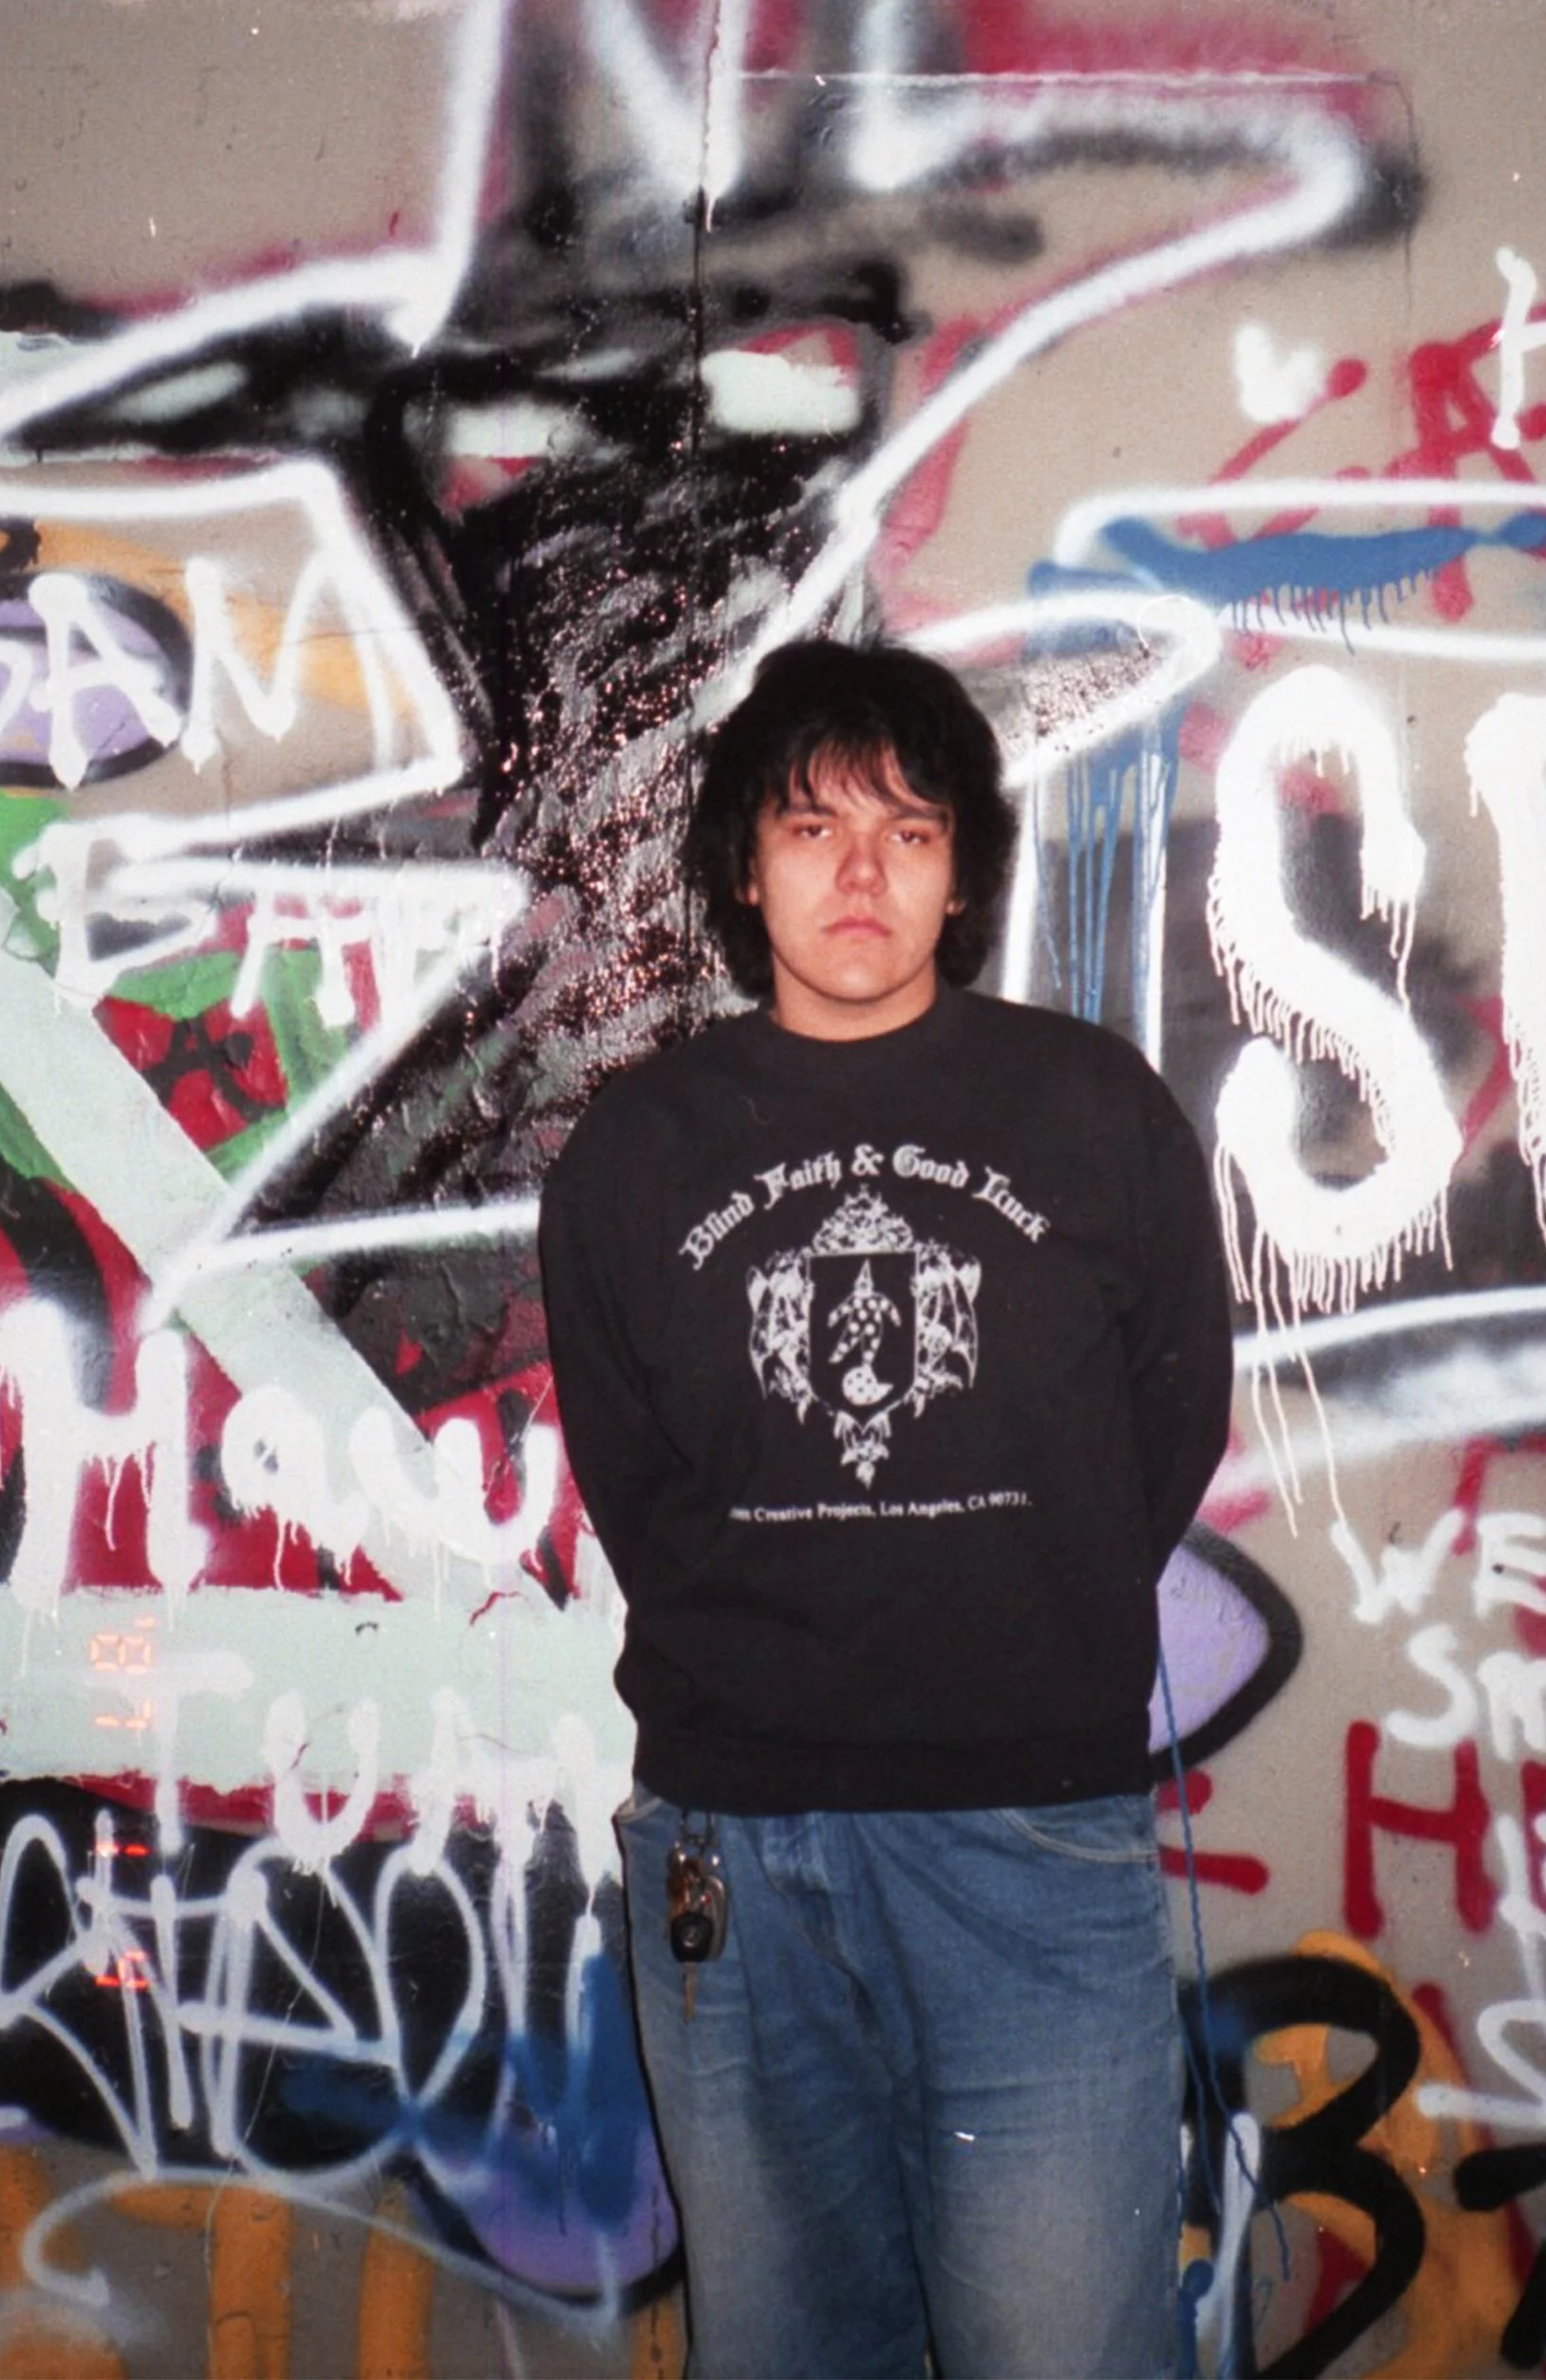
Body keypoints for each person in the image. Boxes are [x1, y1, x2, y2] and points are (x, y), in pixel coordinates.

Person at [538, 639, 1233, 2379]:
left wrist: (1023, 1618)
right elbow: (632, 1479)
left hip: (1030, 1843)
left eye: (908, 833)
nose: (860, 874)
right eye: (812, 829)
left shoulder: (1091, 1111)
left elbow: (1170, 1424)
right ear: (743, 866)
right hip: (731, 1849)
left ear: (963, 874)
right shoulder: (637, 1148)